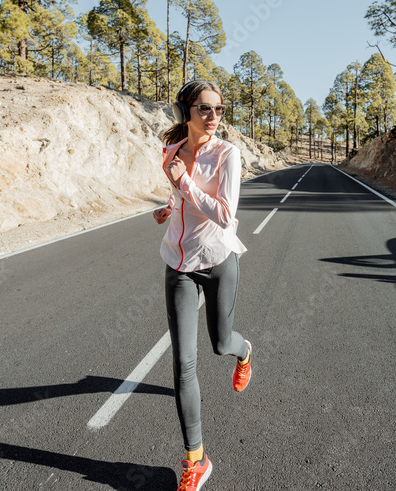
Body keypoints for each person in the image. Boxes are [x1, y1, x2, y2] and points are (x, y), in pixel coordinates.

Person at [153, 79, 252, 491]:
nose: (212, 117)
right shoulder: (171, 153)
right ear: (185, 111)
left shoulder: (228, 154)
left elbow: (225, 215)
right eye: (204, 109)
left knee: (219, 342)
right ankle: (196, 458)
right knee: (183, 363)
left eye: (218, 110)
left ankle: (244, 351)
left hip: (217, 261)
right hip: (178, 265)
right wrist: (169, 207)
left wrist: (187, 186)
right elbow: (181, 200)